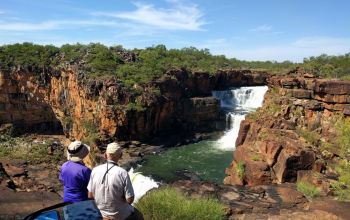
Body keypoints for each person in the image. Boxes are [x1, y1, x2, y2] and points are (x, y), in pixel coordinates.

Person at [87, 143, 143, 220]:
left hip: (102, 214)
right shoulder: (122, 173)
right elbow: (130, 200)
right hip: (120, 215)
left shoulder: (95, 170)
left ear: (105, 155)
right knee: (139, 216)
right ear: (120, 156)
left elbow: (90, 195)